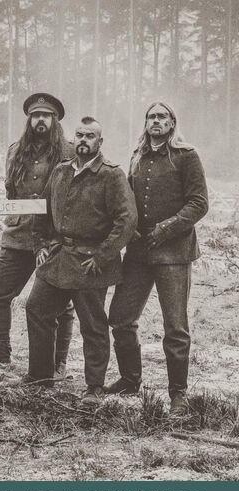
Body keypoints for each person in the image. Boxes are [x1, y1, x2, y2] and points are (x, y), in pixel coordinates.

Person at [26, 117, 137, 405]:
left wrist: (103, 255)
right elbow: (43, 211)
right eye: (79, 135)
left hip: (92, 263)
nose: (84, 140)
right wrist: (40, 243)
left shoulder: (111, 175)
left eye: (91, 136)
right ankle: (40, 376)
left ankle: (94, 387)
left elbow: (126, 220)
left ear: (100, 142)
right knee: (37, 308)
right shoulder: (61, 171)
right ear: (73, 140)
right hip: (59, 257)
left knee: (93, 323)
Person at [107, 102, 208, 415]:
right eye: (151, 117)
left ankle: (178, 394)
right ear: (146, 123)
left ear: (172, 123)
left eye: (162, 117)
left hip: (174, 253)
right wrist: (130, 228)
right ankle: (129, 378)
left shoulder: (186, 155)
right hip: (138, 253)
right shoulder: (137, 156)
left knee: (175, 326)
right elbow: (127, 201)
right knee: (120, 318)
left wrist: (166, 228)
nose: (156, 121)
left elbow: (199, 203)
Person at [0, 93, 75, 376]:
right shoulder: (15, 151)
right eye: (36, 115)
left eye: (46, 116)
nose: (40, 120)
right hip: (18, 236)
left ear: (55, 120)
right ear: (29, 119)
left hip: (53, 239)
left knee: (61, 304)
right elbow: (11, 191)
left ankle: (58, 362)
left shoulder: (70, 153)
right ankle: (1, 353)